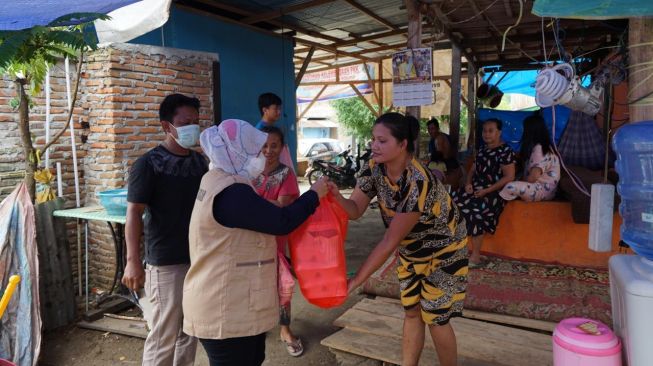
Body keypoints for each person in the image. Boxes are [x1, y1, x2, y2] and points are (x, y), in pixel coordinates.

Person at [182, 119, 329, 366]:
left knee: (253, 358)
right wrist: (314, 194)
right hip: (224, 307)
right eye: (255, 152)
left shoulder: (220, 179)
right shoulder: (230, 191)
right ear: (236, 152)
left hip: (235, 302)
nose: (261, 157)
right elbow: (281, 220)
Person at [329, 112, 468, 366]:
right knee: (412, 311)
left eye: (382, 141)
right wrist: (337, 197)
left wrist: (356, 281)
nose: (374, 145)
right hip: (412, 248)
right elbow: (356, 210)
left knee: (435, 316)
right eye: (373, 139)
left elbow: (388, 242)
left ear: (403, 144)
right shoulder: (374, 168)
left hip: (445, 247)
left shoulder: (418, 182)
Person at [122, 93, 207, 365]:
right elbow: (133, 212)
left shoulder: (200, 163)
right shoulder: (148, 164)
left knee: (189, 331)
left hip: (198, 258)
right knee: (164, 335)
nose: (192, 127)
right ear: (166, 126)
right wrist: (132, 261)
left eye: (196, 121)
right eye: (185, 122)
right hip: (166, 263)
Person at [251, 126, 303, 357]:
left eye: (274, 145)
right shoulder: (247, 171)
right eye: (264, 145)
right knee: (252, 284)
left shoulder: (286, 174)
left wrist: (247, 206)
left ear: (282, 148)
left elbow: (281, 206)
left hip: (275, 240)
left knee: (283, 285)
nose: (268, 150)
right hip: (249, 240)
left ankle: (285, 329)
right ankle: (256, 326)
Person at [451, 118, 516, 266]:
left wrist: (487, 190)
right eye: (484, 131)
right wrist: (468, 183)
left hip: (494, 193)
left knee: (474, 211)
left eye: (490, 131)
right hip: (476, 189)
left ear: (499, 132)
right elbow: (472, 170)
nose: (486, 134)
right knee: (451, 200)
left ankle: (475, 256)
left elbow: (509, 176)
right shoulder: (482, 150)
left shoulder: (505, 151)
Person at [500, 115, 560, 202]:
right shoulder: (542, 147)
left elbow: (533, 178)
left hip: (541, 191)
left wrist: (518, 183)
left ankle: (499, 203)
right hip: (542, 190)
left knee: (510, 187)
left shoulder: (539, 148)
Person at [427, 118, 462, 189]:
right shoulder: (437, 137)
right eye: (429, 129)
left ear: (437, 128)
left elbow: (439, 155)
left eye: (432, 128)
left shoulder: (439, 138)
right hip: (448, 163)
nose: (430, 131)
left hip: (447, 165)